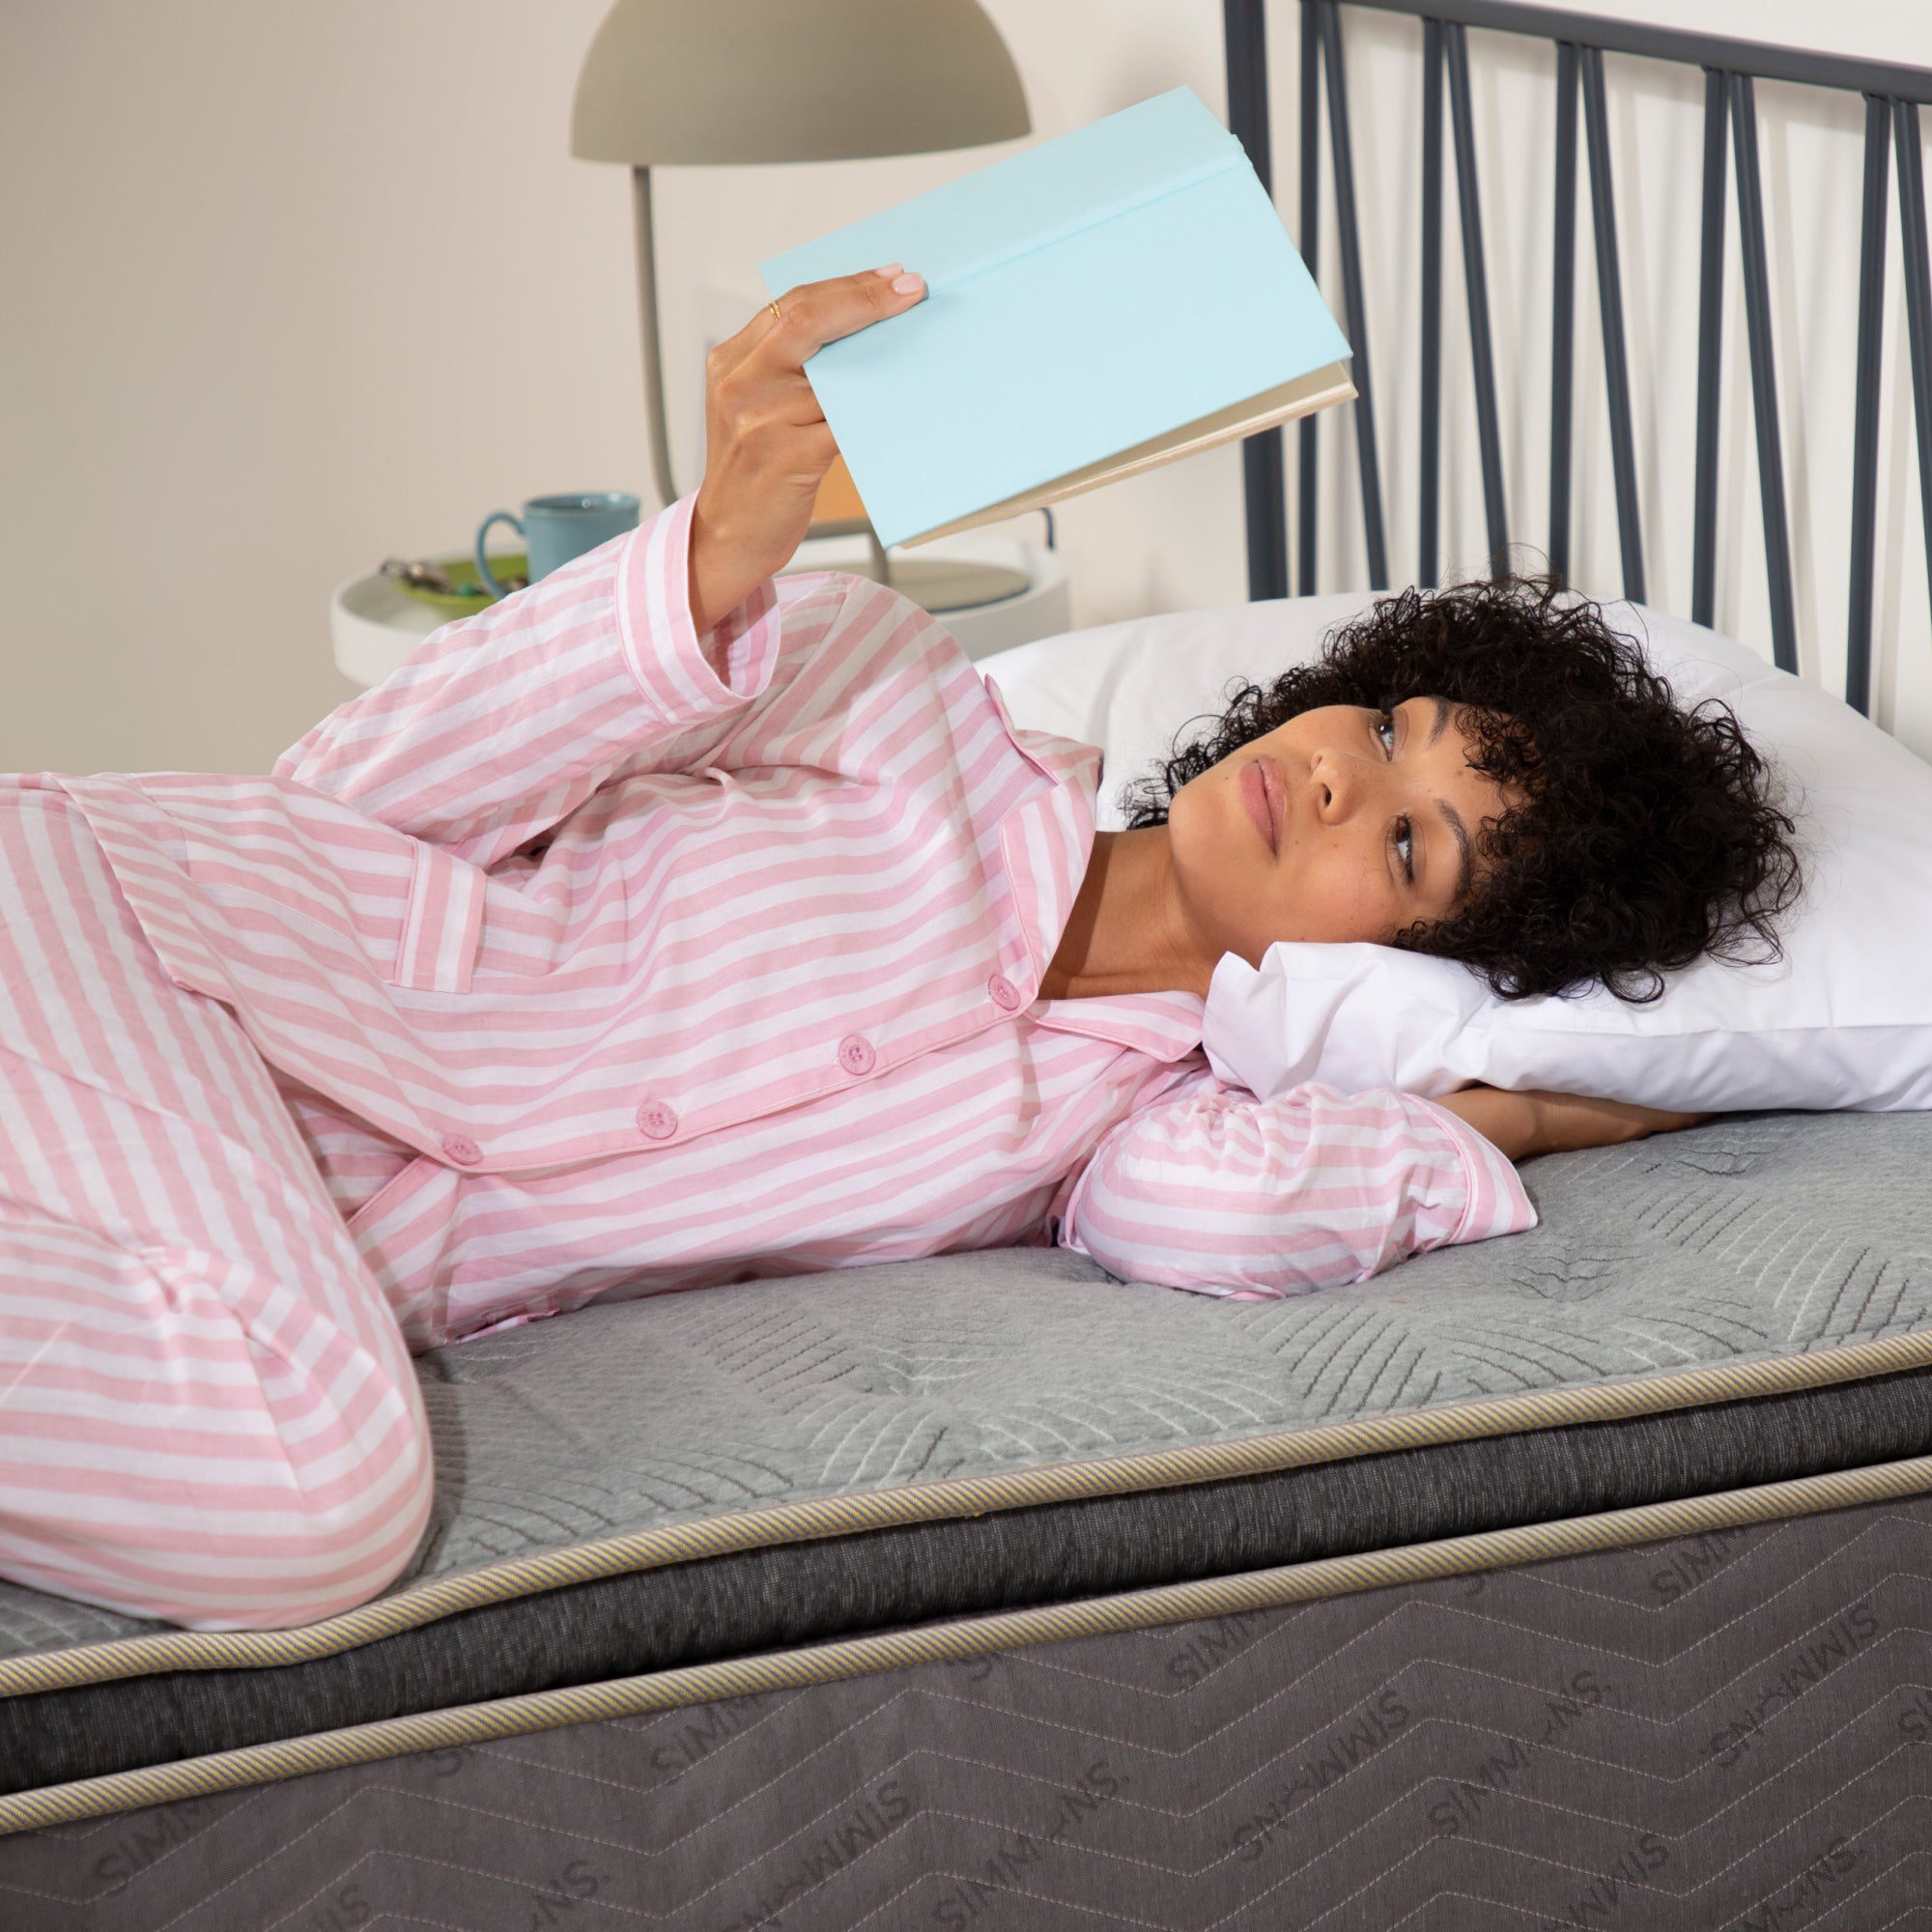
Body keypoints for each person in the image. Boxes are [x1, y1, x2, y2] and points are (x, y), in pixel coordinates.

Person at [0, 270, 1798, 1631]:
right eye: (1389, 718)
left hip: (163, 1189)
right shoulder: (886, 688)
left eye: (1411, 843)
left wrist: (1528, 1116)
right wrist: (710, 555)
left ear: (1444, 969)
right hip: (119, 932)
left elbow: (1222, 1223)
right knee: (317, 1488)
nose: (1337, 769)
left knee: (290, 1476)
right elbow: (345, 788)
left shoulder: (1137, 1124)